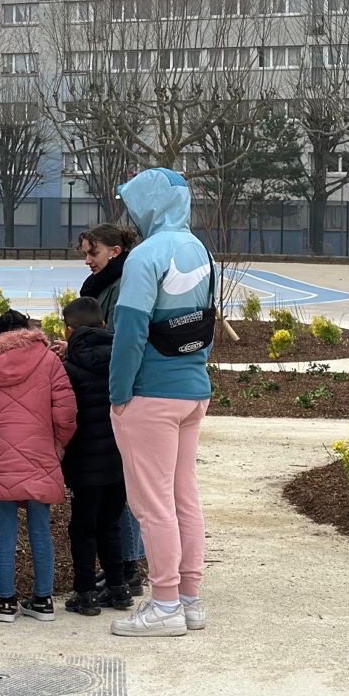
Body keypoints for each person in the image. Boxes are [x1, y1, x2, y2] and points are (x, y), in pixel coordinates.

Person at [107, 168, 215, 638]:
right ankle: (189, 601)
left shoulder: (145, 256)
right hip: (193, 390)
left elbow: (129, 333)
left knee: (152, 505)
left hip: (150, 395)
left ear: (148, 205)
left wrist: (118, 395)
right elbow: (207, 323)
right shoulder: (199, 249)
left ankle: (165, 603)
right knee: (183, 497)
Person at [0, 318, 76, 624]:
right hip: (40, 453)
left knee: (3, 533)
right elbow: (66, 412)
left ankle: (7, 603)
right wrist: (56, 445)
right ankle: (43, 600)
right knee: (41, 530)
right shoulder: (49, 360)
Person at [78, 221, 147, 589]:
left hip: (119, 393)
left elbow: (118, 342)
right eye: (85, 253)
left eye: (93, 252)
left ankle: (130, 566)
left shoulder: (121, 286)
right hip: (106, 388)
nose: (88, 260)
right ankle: (123, 563)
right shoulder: (105, 284)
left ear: (114, 252)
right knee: (117, 481)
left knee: (122, 483)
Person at [60, 297, 135, 616]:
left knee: (83, 528)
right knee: (111, 524)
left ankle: (85, 592)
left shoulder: (68, 368)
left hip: (84, 462)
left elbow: (64, 416)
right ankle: (119, 588)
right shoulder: (123, 358)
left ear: (68, 331)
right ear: (104, 325)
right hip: (120, 459)